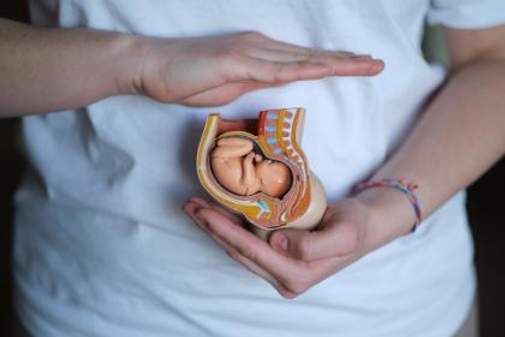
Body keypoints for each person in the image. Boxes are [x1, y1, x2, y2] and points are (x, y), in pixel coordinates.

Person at [2, 1, 504, 336]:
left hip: (397, 309)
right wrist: (135, 64)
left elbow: (492, 57)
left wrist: (387, 207)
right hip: (101, 306)